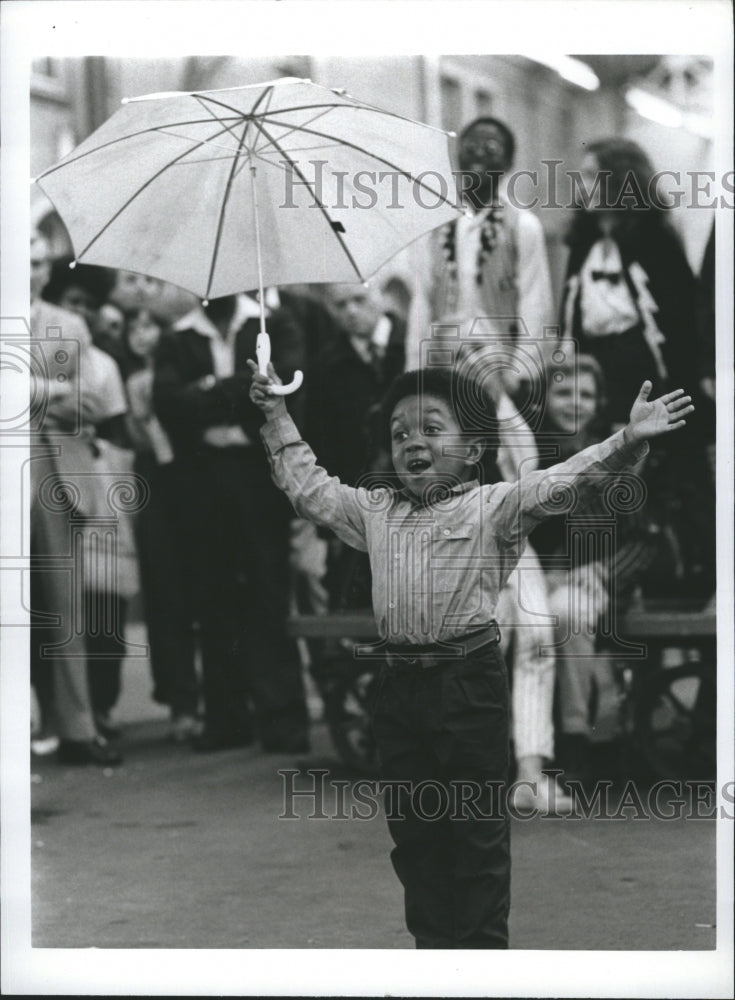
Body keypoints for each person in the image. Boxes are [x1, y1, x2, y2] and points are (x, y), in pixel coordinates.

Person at [250, 356, 693, 949]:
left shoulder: (496, 507)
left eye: (432, 428)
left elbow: (570, 478)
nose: (413, 442)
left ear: (474, 449)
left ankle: (482, 965)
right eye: (400, 433)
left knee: (476, 838)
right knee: (416, 839)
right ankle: (435, 961)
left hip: (467, 689)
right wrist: (276, 413)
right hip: (398, 693)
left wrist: (628, 439)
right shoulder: (374, 512)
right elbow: (310, 489)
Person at [153, 292, 309, 754]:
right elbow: (168, 404)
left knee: (268, 590)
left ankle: (282, 717)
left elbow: (286, 391)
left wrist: (206, 390)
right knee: (212, 595)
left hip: (258, 476)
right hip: (202, 479)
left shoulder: (273, 325)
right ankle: (226, 718)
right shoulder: (178, 337)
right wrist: (240, 391)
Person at [529, 354, 651, 784]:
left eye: (585, 393)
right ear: (545, 399)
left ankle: (575, 736)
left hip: (601, 585)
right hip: (536, 577)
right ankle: (517, 744)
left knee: (566, 613)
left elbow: (646, 540)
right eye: (564, 392)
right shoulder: (530, 453)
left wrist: (601, 570)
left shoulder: (619, 454)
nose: (575, 402)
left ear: (599, 402)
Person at [30, 233, 123, 765]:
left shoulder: (67, 325)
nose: (30, 270)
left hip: (53, 471)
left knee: (64, 605)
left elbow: (90, 401)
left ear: (47, 271)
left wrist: (29, 391)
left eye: (38, 262)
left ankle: (77, 727)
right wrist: (51, 389)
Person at [406, 115, 555, 383]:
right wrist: (414, 370)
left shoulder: (523, 226)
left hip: (500, 368)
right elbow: (421, 301)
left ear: (508, 163)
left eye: (491, 149)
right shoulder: (434, 226)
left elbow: (534, 303)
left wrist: (520, 376)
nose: (478, 155)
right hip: (444, 365)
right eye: (470, 147)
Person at [123, 307, 200, 741]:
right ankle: (180, 701)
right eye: (133, 328)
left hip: (189, 480)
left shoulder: (181, 372)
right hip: (154, 483)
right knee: (165, 595)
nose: (141, 334)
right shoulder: (133, 382)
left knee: (198, 590)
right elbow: (140, 441)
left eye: (148, 325)